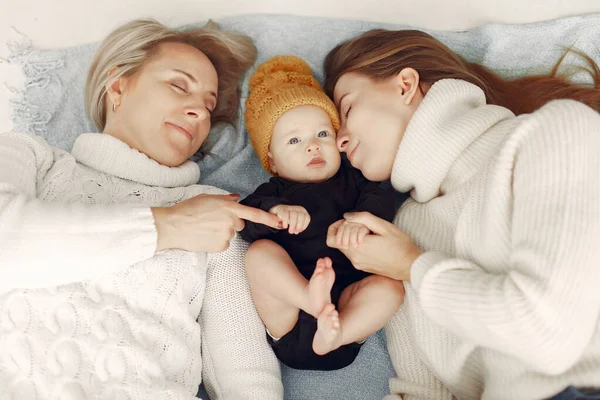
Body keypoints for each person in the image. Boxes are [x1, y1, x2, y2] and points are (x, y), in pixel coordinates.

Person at [0, 19, 284, 399]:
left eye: (208, 104)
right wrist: (169, 227)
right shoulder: (31, 156)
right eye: (178, 85)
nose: (199, 112)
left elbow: (246, 375)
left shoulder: (217, 213)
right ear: (117, 86)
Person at [322, 29, 600, 400]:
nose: (338, 141)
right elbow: (424, 391)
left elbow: (548, 335)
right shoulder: (402, 231)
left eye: (348, 108)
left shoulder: (556, 132)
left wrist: (414, 267)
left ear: (405, 84)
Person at [239, 56, 404, 371]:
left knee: (390, 288)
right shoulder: (274, 194)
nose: (313, 146)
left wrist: (362, 221)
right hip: (290, 319)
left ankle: (339, 333)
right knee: (260, 253)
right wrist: (276, 213)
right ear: (271, 159)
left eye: (323, 134)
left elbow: (381, 197)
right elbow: (245, 221)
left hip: (346, 312)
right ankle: (309, 299)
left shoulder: (355, 179)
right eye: (294, 140)